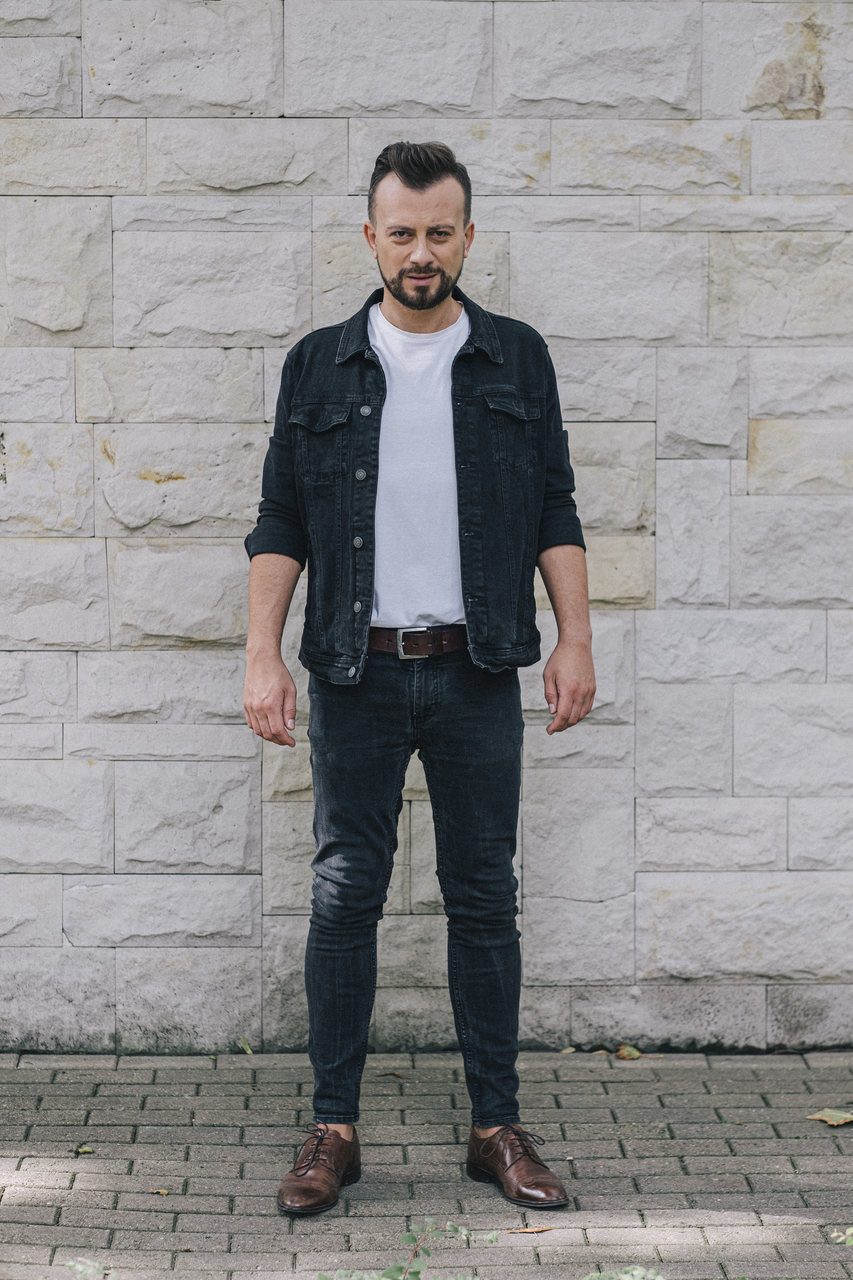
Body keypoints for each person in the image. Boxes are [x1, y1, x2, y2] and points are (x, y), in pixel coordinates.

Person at [243, 141, 596, 1216]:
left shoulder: (515, 356)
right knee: (344, 894)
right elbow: (281, 518)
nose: (421, 252)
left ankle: (496, 1127)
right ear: (371, 238)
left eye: (440, 232)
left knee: (484, 895)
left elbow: (554, 502)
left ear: (467, 237)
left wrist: (575, 637)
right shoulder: (318, 363)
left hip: (476, 668)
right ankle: (333, 1130)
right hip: (355, 670)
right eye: (402, 232)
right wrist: (261, 653)